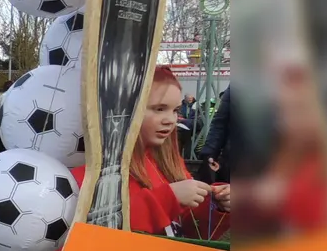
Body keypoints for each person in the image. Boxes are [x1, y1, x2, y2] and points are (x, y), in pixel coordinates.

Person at [68, 65, 230, 238]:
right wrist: (168, 199)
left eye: (175, 110)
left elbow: (188, 233)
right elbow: (94, 236)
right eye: (159, 109)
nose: (171, 120)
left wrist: (214, 205)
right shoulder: (92, 174)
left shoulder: (171, 165)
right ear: (124, 110)